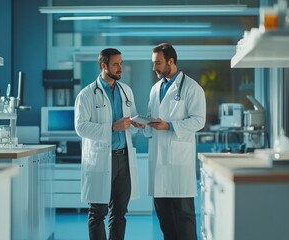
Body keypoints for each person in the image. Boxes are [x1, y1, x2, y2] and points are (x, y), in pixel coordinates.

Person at [74, 48, 142, 240]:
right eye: (115, 64)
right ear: (104, 66)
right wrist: (112, 127)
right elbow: (81, 127)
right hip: (101, 160)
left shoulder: (125, 90)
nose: (120, 68)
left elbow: (130, 122)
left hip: (124, 159)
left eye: (121, 63)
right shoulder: (87, 94)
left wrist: (136, 124)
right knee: (98, 213)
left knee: (120, 213)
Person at [143, 43, 206, 240]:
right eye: (154, 63)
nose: (155, 68)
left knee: (184, 216)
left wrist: (170, 126)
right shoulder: (155, 89)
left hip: (179, 162)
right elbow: (152, 116)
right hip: (159, 161)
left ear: (171, 61)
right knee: (164, 218)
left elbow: (199, 120)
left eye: (158, 63)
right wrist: (144, 124)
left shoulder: (191, 87)